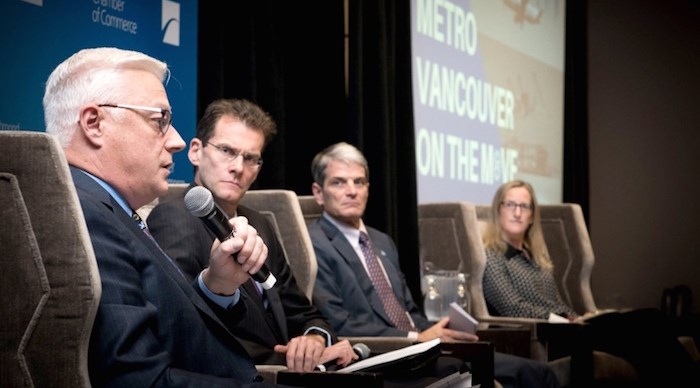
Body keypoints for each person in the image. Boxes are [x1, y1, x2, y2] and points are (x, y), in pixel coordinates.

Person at [42, 47, 290, 387]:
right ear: (94, 124)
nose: (175, 141)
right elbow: (140, 379)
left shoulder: (108, 211)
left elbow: (171, 334)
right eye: (160, 121)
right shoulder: (84, 217)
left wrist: (216, 285)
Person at [307, 142, 561, 388]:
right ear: (319, 193)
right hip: (380, 353)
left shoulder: (381, 241)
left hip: (423, 345)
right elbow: (338, 323)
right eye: (339, 182)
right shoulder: (313, 243)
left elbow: (408, 311)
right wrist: (416, 337)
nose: (352, 190)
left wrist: (440, 329)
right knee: (489, 372)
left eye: (359, 182)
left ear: (368, 188)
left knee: (536, 372)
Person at [146, 98, 357, 372]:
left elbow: (301, 311)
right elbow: (189, 324)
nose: (238, 167)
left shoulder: (261, 223)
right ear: (196, 151)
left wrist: (314, 339)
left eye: (250, 158)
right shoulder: (174, 217)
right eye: (226, 150)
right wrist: (289, 361)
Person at [482, 179, 698, 387]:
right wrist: (563, 320)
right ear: (498, 210)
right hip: (549, 335)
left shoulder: (535, 256)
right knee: (647, 325)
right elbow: (511, 307)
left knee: (651, 323)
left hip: (571, 328)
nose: (517, 212)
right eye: (510, 204)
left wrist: (576, 316)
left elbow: (555, 301)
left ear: (532, 216)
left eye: (524, 206)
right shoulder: (492, 255)